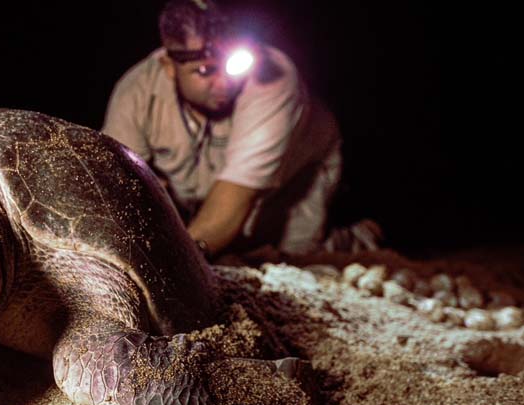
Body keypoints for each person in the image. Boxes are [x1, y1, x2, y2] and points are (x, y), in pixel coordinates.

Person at [102, 0, 380, 256]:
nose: (224, 83)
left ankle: (359, 238)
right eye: (205, 71)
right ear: (169, 66)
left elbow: (234, 198)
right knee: (217, 244)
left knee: (290, 255)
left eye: (232, 67)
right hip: (205, 184)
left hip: (295, 174)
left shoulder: (274, 78)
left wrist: (180, 264)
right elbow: (114, 188)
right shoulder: (135, 91)